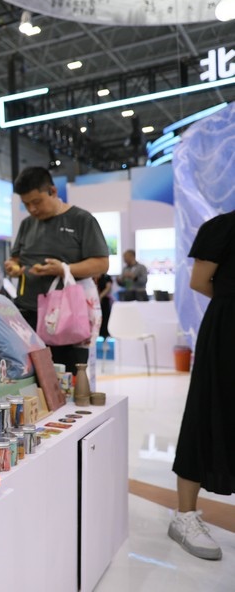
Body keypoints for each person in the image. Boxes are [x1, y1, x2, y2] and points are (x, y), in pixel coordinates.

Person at [168, 211, 235, 561]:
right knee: (206, 409)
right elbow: (200, 281)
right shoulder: (223, 227)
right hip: (227, 331)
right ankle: (185, 515)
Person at [3, 167, 108, 372]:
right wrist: (13, 267)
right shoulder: (27, 224)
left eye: (37, 202)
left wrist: (64, 269)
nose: (32, 209)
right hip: (28, 315)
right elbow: (15, 259)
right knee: (31, 379)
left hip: (66, 318)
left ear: (52, 191)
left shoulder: (81, 219)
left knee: (68, 377)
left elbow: (101, 264)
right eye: (26, 204)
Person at [94, 273, 113, 339]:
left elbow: (108, 288)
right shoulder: (92, 276)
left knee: (105, 318)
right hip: (94, 300)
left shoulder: (106, 277)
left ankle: (105, 336)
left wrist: (100, 296)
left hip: (104, 301)